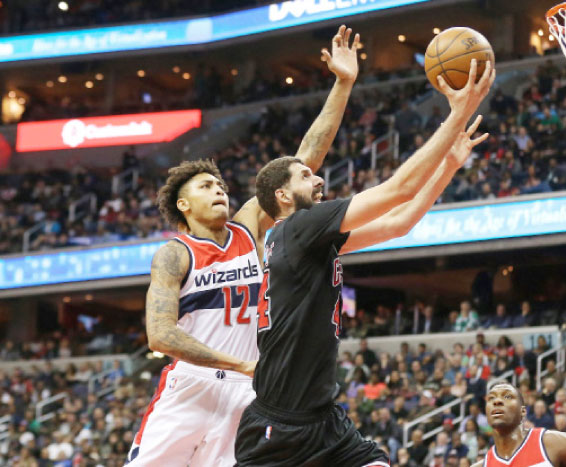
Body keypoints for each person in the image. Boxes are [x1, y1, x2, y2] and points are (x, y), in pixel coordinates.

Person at [235, 59, 495, 466]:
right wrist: (458, 112)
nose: (318, 179)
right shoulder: (299, 227)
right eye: (305, 176)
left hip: (323, 421)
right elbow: (400, 189)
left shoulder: (301, 240)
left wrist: (448, 166)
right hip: (278, 429)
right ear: (283, 197)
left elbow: (398, 224)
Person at [126, 25, 361, 466]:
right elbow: (161, 334)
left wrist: (342, 84)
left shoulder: (248, 229)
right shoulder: (176, 254)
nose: (219, 189)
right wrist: (238, 364)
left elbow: (303, 162)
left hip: (250, 393)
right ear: (183, 203)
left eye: (220, 183)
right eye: (205, 185)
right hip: (191, 386)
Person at [477, 382, 566, 467]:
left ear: (523, 411)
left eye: (507, 397)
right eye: (491, 398)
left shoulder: (553, 443)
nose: (497, 402)